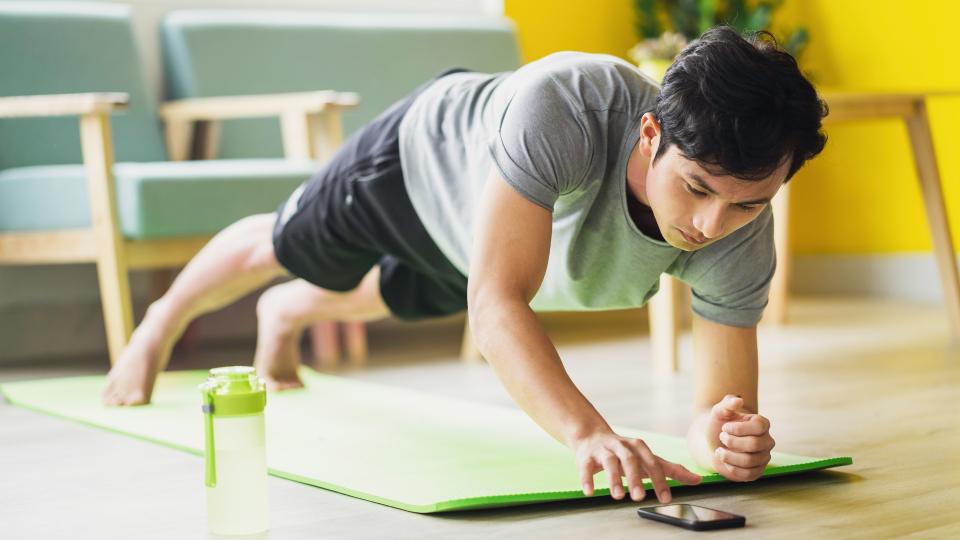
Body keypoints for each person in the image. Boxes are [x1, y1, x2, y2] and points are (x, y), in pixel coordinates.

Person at [102, 26, 827, 505]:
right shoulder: (569, 105)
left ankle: (285, 311)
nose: (710, 227)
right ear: (648, 134)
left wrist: (725, 443)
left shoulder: (741, 233)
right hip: (417, 163)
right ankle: (160, 322)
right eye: (697, 188)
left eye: (748, 204)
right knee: (282, 247)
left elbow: (715, 408)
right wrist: (588, 432)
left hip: (482, 249)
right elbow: (497, 306)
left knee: (378, 297)